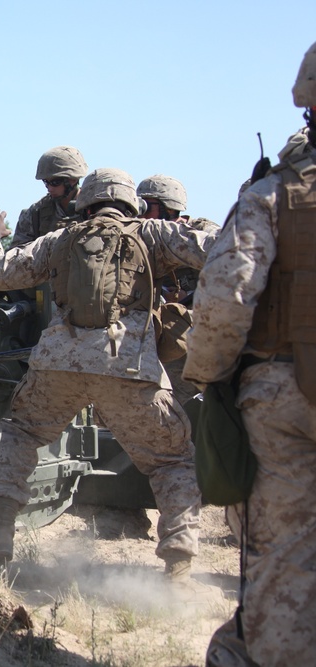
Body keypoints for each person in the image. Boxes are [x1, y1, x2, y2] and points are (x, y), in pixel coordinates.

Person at [0, 167, 213, 579]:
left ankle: (1, 534)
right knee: (172, 459)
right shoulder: (152, 233)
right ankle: (177, 564)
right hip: (127, 366)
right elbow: (221, 249)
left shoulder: (60, 238)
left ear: (85, 201)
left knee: (22, 433)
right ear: (129, 202)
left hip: (57, 363)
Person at [184, 41, 316, 666]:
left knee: (287, 557)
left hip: (290, 395)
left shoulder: (274, 195)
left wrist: (210, 382)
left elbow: (223, 301)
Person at [136, 174, 220, 407]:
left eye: (147, 206)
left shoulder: (200, 232)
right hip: (166, 335)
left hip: (204, 331)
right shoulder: (142, 236)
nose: (140, 212)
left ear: (169, 209)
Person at [0, 145, 88, 247]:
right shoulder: (35, 214)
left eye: (55, 182)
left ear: (73, 179)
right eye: (46, 182)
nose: (49, 188)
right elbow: (17, 258)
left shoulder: (94, 208)